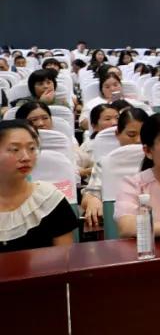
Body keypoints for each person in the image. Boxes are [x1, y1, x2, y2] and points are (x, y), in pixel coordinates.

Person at [0, 120, 78, 252]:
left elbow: (65, 258)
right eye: (15, 150)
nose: (26, 157)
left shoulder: (49, 199)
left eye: (31, 148)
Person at [82, 107, 147, 228]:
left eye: (143, 135)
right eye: (131, 135)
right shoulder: (106, 163)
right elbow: (89, 195)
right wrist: (92, 200)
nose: (138, 140)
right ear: (117, 134)